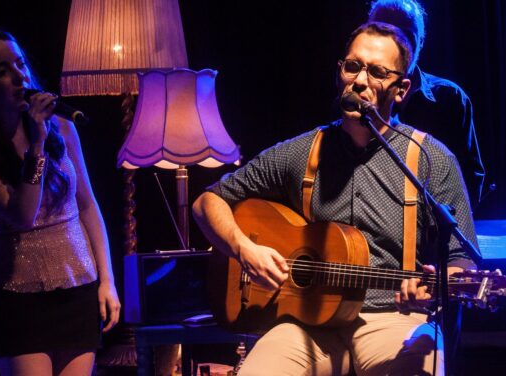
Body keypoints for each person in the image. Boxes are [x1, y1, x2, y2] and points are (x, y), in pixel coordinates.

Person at [193, 22, 478, 376]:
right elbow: (208, 202)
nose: (359, 81)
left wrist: (432, 289)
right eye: (352, 66)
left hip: (392, 319)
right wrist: (243, 249)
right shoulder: (302, 152)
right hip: (308, 324)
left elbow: (462, 263)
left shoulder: (432, 160)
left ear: (401, 88)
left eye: (376, 72)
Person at [0, 29, 120, 375]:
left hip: (78, 285)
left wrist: (108, 281)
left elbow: (88, 205)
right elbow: (23, 214)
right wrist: (38, 143)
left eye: (20, 64)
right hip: (18, 295)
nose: (18, 77)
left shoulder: (63, 128)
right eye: (1, 71)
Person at [368, 0, 486, 207]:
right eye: (383, 33)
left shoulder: (450, 98)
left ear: (420, 42)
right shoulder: (354, 96)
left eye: (405, 35)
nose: (394, 45)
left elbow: (468, 181)